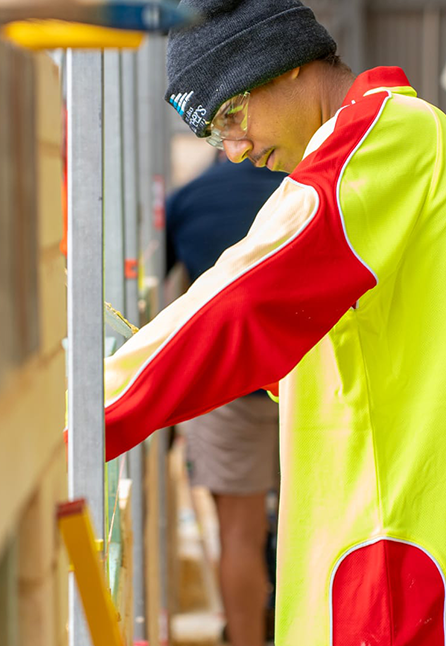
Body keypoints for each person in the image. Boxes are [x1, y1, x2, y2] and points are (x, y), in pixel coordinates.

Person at [101, 0, 446, 644]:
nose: (236, 150)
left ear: (285, 67)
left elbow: (244, 298)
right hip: (433, 545)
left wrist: (86, 412)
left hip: (389, 563)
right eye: (215, 135)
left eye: (231, 115)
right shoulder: (432, 143)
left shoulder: (376, 148)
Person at [166, 154, 283, 646]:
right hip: (312, 382)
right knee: (318, 518)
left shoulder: (190, 199)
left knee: (240, 533)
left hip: (228, 385)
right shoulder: (302, 189)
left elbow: (175, 294)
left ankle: (247, 638)